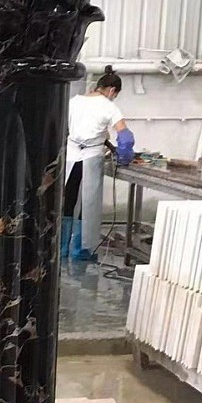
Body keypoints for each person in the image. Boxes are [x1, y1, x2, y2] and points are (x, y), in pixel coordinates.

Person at [62, 66, 134, 261]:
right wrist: (125, 155)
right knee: (89, 203)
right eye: (115, 95)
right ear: (112, 90)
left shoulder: (74, 101)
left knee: (67, 200)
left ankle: (61, 248)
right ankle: (81, 250)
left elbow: (66, 128)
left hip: (71, 155)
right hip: (92, 157)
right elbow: (125, 136)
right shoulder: (109, 106)